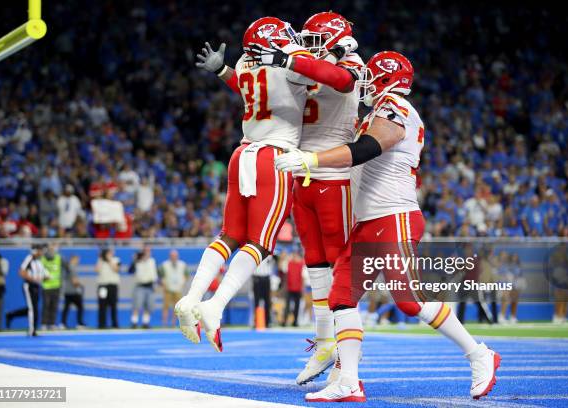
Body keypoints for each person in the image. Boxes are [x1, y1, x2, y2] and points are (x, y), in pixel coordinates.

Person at [275, 51, 500, 401]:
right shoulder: (375, 112)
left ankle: (479, 353)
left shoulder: (396, 108)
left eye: (369, 75)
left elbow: (366, 149)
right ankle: (349, 380)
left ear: (386, 79)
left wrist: (312, 159)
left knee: (409, 300)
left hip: (393, 216)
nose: (363, 81)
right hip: (370, 222)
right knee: (341, 298)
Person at [174, 16, 316, 351]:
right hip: (275, 156)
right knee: (261, 243)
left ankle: (192, 296)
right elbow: (329, 80)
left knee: (229, 235)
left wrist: (224, 72)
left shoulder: (246, 60)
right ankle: (214, 305)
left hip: (243, 154)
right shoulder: (290, 62)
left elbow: (250, 85)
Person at [286, 11, 363, 385]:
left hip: (334, 174)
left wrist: (301, 59)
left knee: (339, 267)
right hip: (301, 174)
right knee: (314, 264)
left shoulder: (350, 62)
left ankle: (345, 363)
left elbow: (340, 80)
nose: (308, 46)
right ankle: (324, 342)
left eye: (316, 39)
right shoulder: (308, 62)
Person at [5, 244, 49, 336]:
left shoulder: (39, 261)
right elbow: (21, 272)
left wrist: (45, 277)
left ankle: (11, 315)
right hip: (29, 286)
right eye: (40, 250)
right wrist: (33, 279)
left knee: (34, 308)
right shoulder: (29, 258)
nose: (41, 253)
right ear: (35, 251)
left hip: (37, 286)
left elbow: (43, 275)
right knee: (32, 309)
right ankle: (32, 330)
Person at [40, 243, 69, 330]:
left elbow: (67, 268)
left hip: (56, 285)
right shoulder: (43, 259)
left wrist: (62, 278)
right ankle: (44, 323)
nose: (52, 251)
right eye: (50, 249)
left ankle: (52, 323)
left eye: (53, 249)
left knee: (54, 306)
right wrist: (42, 276)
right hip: (46, 286)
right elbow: (39, 269)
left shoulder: (59, 257)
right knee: (46, 305)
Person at [129, 245, 158, 328]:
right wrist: (134, 260)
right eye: (146, 251)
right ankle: (134, 322)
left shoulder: (153, 261)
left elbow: (155, 274)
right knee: (137, 305)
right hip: (140, 286)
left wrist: (156, 284)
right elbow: (130, 271)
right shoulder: (137, 261)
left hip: (150, 286)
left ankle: (145, 322)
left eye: (149, 251)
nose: (147, 253)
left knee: (148, 306)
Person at [159, 250, 188, 327]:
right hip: (168, 288)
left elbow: (186, 275)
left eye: (175, 256)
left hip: (178, 289)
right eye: (172, 256)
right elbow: (160, 276)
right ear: (170, 256)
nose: (173, 257)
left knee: (176, 307)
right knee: (166, 306)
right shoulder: (165, 264)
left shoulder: (182, 264)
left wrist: (182, 283)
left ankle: (173, 323)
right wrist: (164, 284)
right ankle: (164, 324)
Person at [96, 248, 120, 329]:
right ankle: (102, 324)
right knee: (102, 305)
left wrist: (109, 260)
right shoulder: (100, 261)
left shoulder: (116, 259)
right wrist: (100, 259)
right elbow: (96, 270)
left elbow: (116, 269)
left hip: (112, 286)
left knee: (113, 305)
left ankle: (114, 324)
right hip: (103, 286)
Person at [61, 255, 86, 329]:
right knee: (80, 307)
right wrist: (80, 285)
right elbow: (74, 281)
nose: (78, 261)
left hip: (67, 290)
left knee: (66, 308)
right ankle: (80, 323)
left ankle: (63, 323)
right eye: (77, 259)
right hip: (73, 291)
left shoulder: (68, 267)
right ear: (73, 259)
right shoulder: (72, 267)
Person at [282, 253, 305, 327]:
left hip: (297, 288)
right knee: (287, 306)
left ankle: (295, 321)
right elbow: (282, 270)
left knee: (297, 306)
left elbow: (303, 277)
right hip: (289, 287)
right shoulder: (288, 263)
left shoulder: (301, 264)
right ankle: (285, 321)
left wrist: (302, 288)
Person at [253, 255, 275, 328]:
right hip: (257, 278)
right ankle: (256, 321)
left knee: (267, 301)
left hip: (266, 278)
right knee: (256, 301)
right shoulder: (255, 252)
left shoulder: (270, 253)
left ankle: (268, 322)